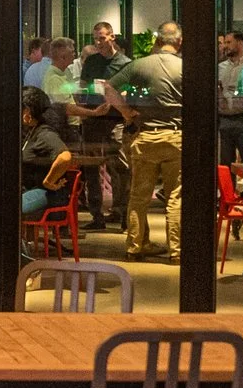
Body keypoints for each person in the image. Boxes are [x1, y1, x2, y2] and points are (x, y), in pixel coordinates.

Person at [102, 22, 184, 259]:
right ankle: (177, 251)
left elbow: (108, 88)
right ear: (179, 41)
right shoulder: (185, 67)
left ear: (157, 41)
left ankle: (135, 247)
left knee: (138, 196)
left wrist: (127, 113)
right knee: (175, 196)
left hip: (146, 135)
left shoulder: (139, 65)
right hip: (176, 136)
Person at [76, 23, 131, 229]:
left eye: (102, 38)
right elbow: (82, 87)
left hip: (115, 119)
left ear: (112, 37)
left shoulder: (124, 63)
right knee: (91, 167)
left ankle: (122, 212)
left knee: (119, 166)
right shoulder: (91, 61)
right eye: (96, 39)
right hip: (93, 118)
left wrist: (115, 96)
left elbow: (129, 91)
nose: (98, 43)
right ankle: (96, 215)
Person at [19, 87, 76, 222]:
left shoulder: (45, 133)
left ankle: (19, 243)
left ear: (27, 111)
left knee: (7, 209)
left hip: (46, 194)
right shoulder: (32, 131)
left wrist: (49, 182)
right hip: (31, 190)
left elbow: (65, 156)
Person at [216, 31, 243, 167]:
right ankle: (228, 188)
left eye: (229, 42)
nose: (225, 46)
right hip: (224, 119)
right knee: (225, 162)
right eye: (225, 42)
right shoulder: (220, 67)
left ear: (240, 43)